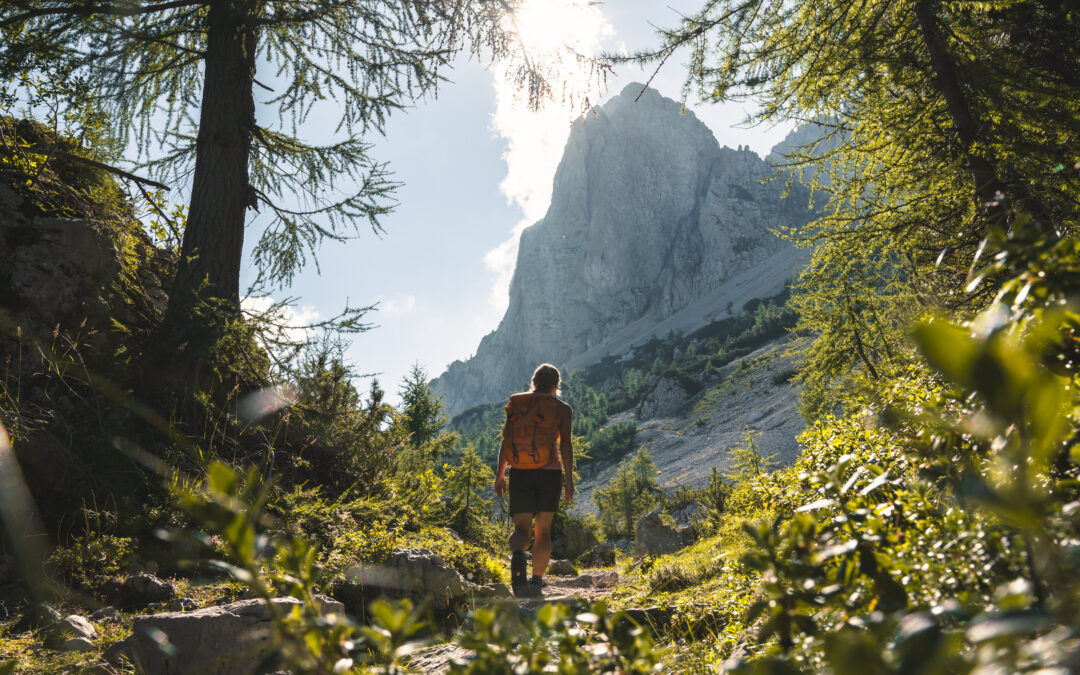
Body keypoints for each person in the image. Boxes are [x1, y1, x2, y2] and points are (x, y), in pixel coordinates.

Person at [494, 363, 574, 598]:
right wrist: (568, 479)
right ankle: (536, 582)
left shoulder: (518, 406)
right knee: (543, 531)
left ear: (534, 381)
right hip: (549, 473)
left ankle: (518, 555)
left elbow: (506, 441)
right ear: (556, 385)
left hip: (519, 472)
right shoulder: (562, 409)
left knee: (521, 530)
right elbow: (565, 445)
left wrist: (500, 474)